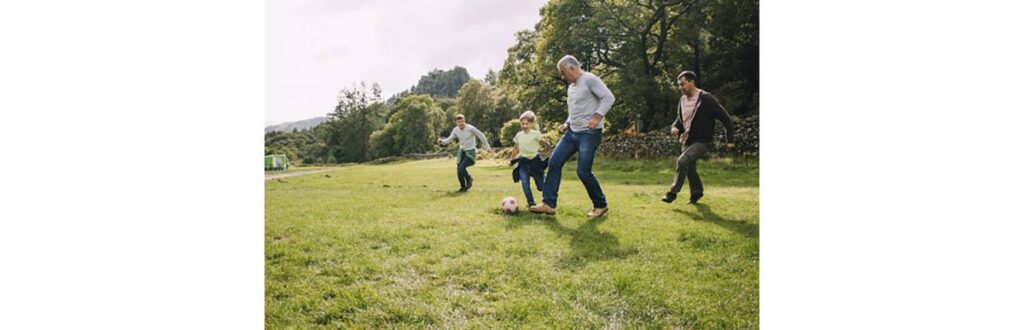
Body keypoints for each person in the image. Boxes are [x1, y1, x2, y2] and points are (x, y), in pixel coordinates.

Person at [530, 55, 614, 217]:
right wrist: (567, 123)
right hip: (572, 133)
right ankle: (548, 204)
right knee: (554, 162)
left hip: (589, 134)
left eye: (563, 72)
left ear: (572, 68)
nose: (563, 76)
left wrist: (597, 117)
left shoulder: (590, 79)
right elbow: (575, 110)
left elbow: (609, 97)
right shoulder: (571, 87)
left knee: (583, 171)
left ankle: (600, 205)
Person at [662, 71, 736, 204]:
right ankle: (697, 193)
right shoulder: (682, 100)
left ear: (691, 82)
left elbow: (726, 118)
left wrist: (730, 140)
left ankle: (672, 193)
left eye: (682, 84)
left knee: (682, 161)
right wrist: (675, 127)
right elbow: (680, 119)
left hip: (702, 140)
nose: (680, 88)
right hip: (687, 140)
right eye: (679, 85)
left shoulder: (706, 99)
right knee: (690, 168)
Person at [438, 114, 492, 192]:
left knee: (461, 168)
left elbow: (481, 136)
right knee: (459, 170)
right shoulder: (456, 130)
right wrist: (441, 142)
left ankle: (469, 179)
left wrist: (488, 147)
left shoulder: (470, 128)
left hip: (471, 152)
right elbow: (449, 139)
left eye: (462, 121)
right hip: (462, 151)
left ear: (465, 121)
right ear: (456, 123)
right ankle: (463, 187)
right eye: (459, 122)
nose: (461, 123)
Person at [509, 111, 549, 208]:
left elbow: (545, 143)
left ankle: (547, 201)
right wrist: (512, 159)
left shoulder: (535, 134)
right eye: (522, 124)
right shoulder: (518, 135)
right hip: (523, 162)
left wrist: (546, 145)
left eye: (527, 124)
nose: (524, 126)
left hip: (535, 162)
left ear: (531, 124)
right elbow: (516, 148)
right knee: (525, 183)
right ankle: (531, 203)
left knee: (541, 187)